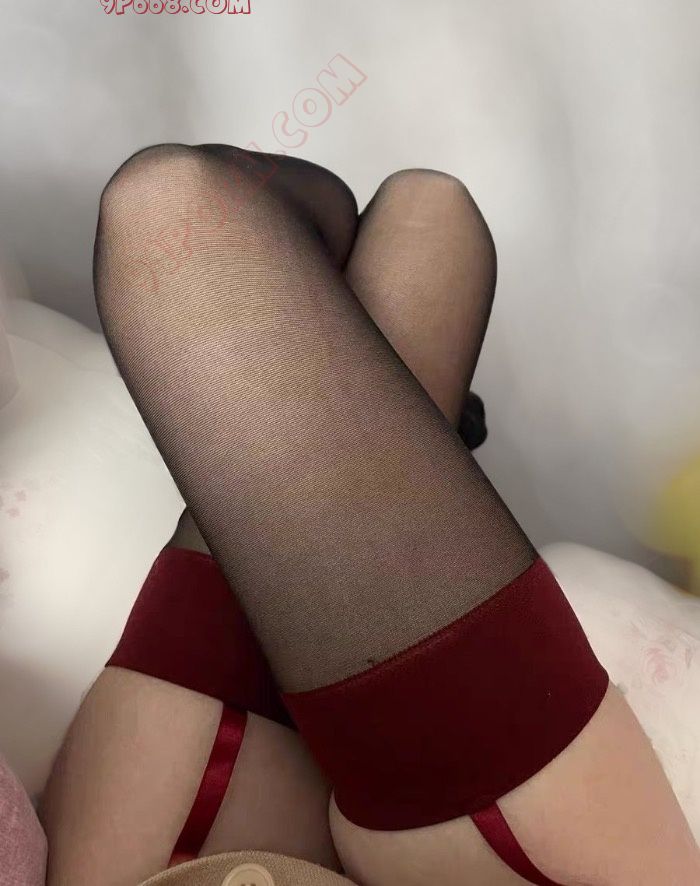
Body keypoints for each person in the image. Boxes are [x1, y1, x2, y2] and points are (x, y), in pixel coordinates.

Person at [41, 147, 700, 886]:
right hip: (510, 855)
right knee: (390, 214)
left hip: (157, 841)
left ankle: (415, 423)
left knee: (413, 215)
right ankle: (415, 425)